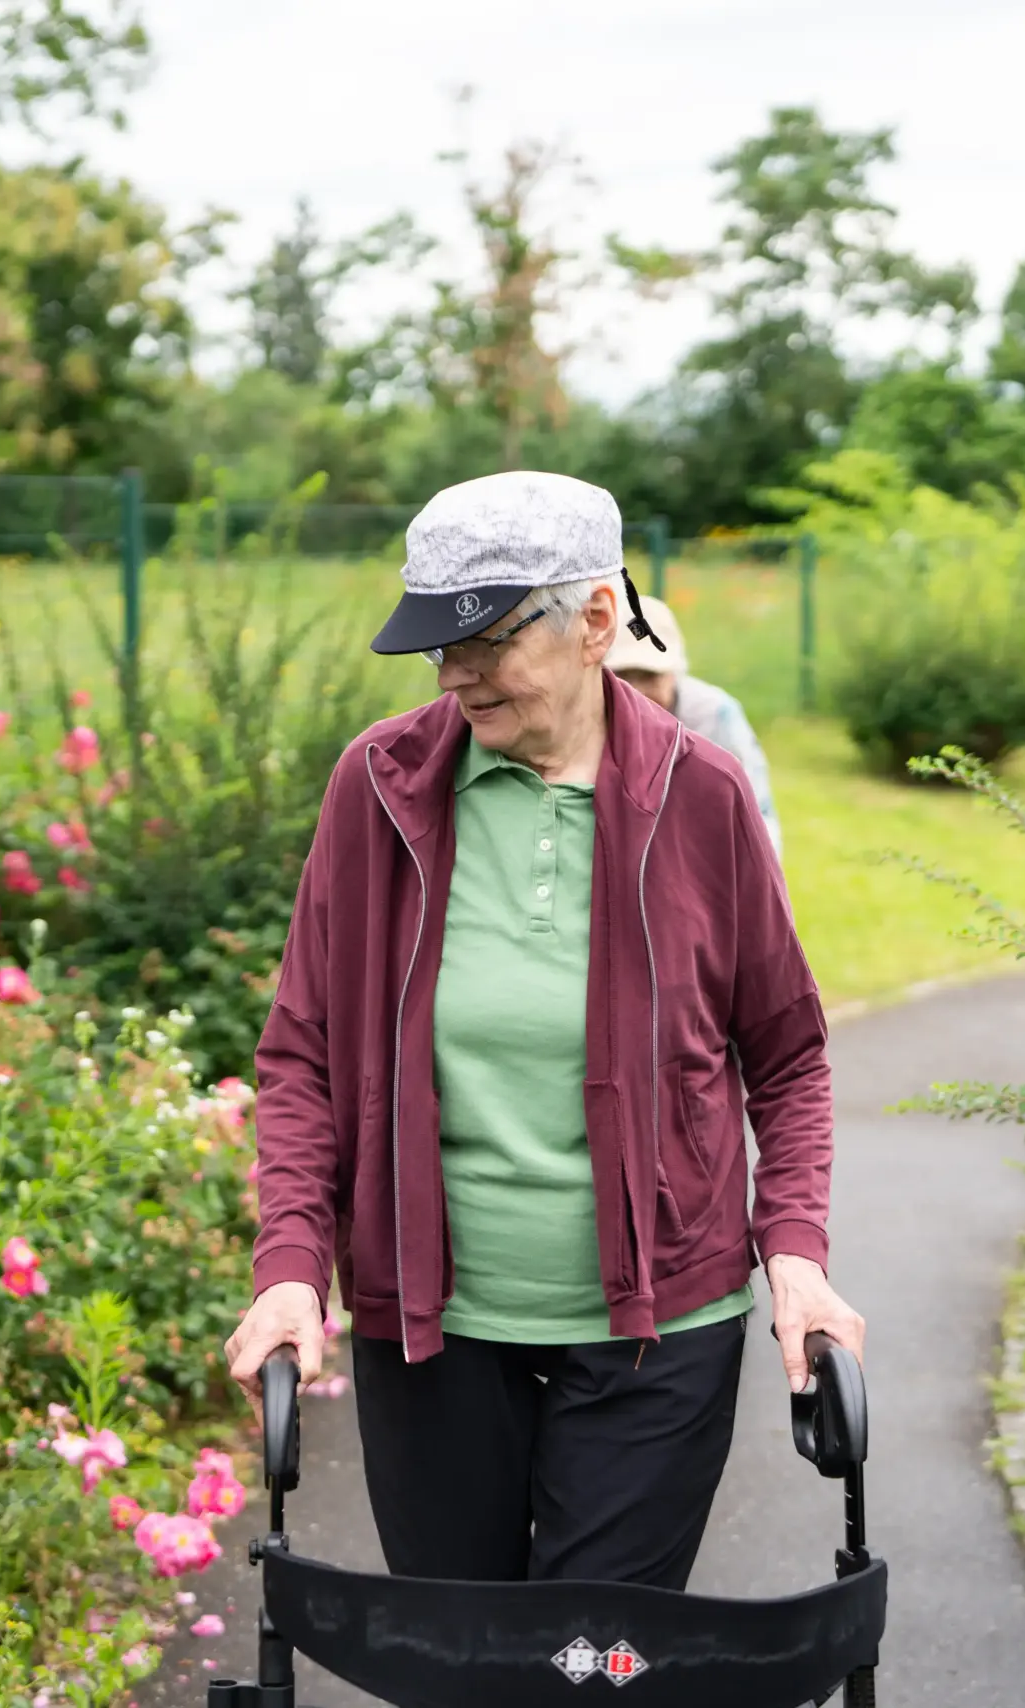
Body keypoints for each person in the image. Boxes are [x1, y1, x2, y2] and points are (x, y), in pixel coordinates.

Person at [223, 469, 862, 1592]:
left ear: (596, 624)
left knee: (594, 1664)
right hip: (428, 1331)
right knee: (461, 1658)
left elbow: (788, 1053)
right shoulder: (378, 786)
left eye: (486, 638)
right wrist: (290, 1267)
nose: (456, 672)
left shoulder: (702, 796)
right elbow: (302, 1055)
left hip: (662, 1330)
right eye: (435, 643)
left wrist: (796, 1257)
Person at [603, 596, 783, 859]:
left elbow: (756, 813)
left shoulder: (715, 715)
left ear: (674, 672)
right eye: (623, 676)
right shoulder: (593, 719)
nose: (636, 692)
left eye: (649, 676)